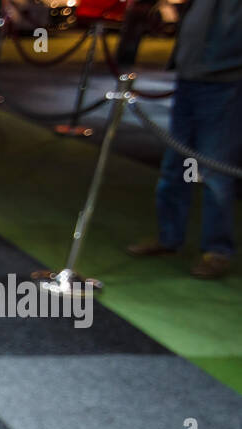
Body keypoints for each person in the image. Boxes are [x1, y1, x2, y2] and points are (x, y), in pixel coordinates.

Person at [128, 0, 242, 279]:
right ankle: (169, 238)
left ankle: (217, 251)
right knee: (176, 163)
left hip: (223, 83)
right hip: (189, 78)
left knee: (215, 171)